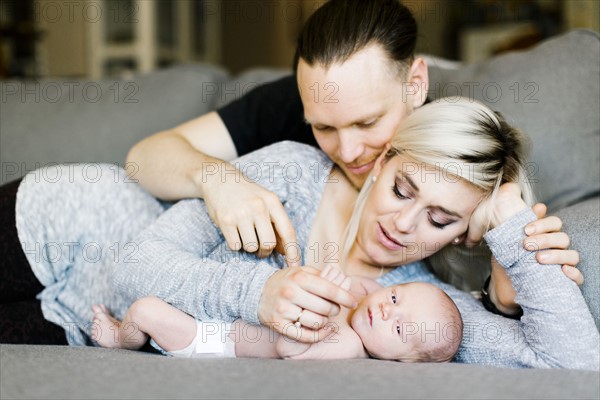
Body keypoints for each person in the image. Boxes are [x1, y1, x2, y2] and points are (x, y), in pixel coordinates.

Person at [0, 0, 580, 345]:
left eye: (367, 123)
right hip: (62, 220)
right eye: (323, 127)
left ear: (417, 84)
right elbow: (143, 158)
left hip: (80, 318)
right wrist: (219, 178)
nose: (347, 149)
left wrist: (511, 289)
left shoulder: (463, 169)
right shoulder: (295, 140)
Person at [15, 99, 597, 370]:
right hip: (54, 224)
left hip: (66, 325)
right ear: (384, 158)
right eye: (401, 189)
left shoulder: (416, 310)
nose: (402, 225)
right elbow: (131, 272)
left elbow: (577, 371)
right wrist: (259, 295)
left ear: (467, 232)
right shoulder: (294, 172)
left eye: (440, 220)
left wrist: (512, 233)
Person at [92, 266, 463, 363]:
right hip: (227, 309)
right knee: (156, 286)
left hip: (213, 341)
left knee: (145, 309)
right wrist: (336, 282)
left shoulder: (349, 346)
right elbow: (338, 282)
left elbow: (288, 349)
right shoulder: (368, 297)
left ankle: (122, 338)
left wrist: (315, 315)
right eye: (396, 297)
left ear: (403, 360)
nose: (385, 309)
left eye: (398, 327)